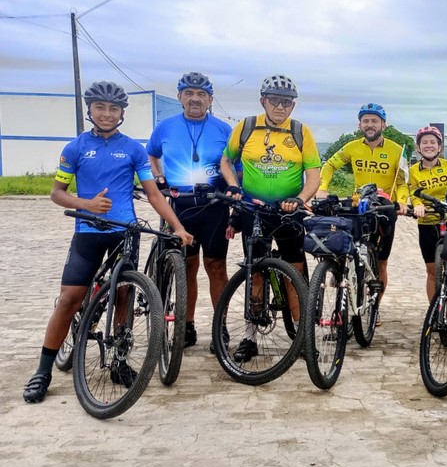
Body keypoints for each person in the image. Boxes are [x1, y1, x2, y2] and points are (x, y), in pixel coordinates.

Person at [23, 81, 194, 404]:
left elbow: (154, 193)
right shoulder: (74, 148)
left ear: (122, 114)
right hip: (88, 231)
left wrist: (177, 227)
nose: (106, 114)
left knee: (124, 294)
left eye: (113, 108)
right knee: (69, 299)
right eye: (100, 107)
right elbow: (57, 193)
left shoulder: (132, 148)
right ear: (89, 110)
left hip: (124, 230)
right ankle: (43, 371)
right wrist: (85, 205)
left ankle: (118, 359)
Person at [219, 75, 320, 363]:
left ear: (293, 105)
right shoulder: (247, 127)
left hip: (289, 211)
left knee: (296, 272)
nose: (280, 107)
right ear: (263, 101)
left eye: (286, 102)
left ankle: (301, 335)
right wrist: (233, 186)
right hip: (254, 210)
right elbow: (226, 159)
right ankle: (249, 336)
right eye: (275, 100)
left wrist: (301, 199)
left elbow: (314, 173)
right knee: (255, 272)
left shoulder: (301, 132)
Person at [147, 71, 232, 351]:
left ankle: (219, 327)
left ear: (210, 99)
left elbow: (234, 165)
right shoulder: (165, 127)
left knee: (217, 267)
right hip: (181, 206)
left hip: (214, 207)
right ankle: (187, 325)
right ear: (180, 96)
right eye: (189, 93)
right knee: (187, 268)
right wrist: (158, 176)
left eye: (201, 94)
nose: (195, 99)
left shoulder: (223, 130)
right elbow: (151, 154)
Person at [317, 103, 409, 311]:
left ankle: (374, 308)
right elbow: (330, 165)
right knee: (345, 251)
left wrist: (402, 201)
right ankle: (343, 285)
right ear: (360, 125)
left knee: (381, 263)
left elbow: (402, 181)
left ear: (383, 125)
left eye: (374, 121)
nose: (370, 125)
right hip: (359, 205)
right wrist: (322, 187)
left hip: (384, 209)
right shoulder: (351, 147)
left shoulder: (396, 150)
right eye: (365, 121)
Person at [408, 125, 447, 300]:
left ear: (440, 147)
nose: (429, 145)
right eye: (424, 143)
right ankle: (433, 311)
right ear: (418, 147)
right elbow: (413, 193)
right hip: (427, 222)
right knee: (431, 271)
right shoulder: (413, 171)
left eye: (433, 142)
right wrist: (417, 205)